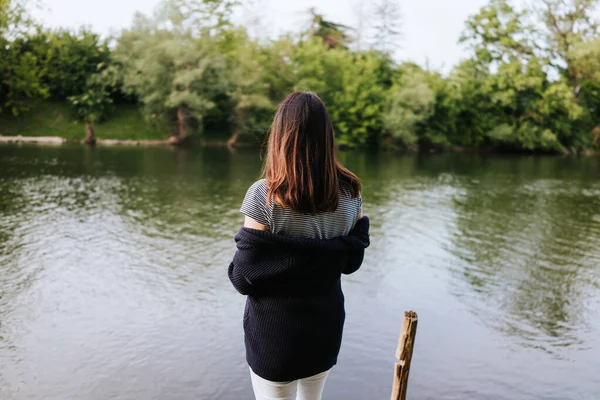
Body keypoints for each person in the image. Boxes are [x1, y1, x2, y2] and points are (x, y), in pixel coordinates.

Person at [228, 91, 370, 400]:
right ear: (326, 137)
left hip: (274, 338)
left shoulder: (263, 196)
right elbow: (351, 263)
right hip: (324, 330)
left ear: (281, 136)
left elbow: (243, 278)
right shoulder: (351, 194)